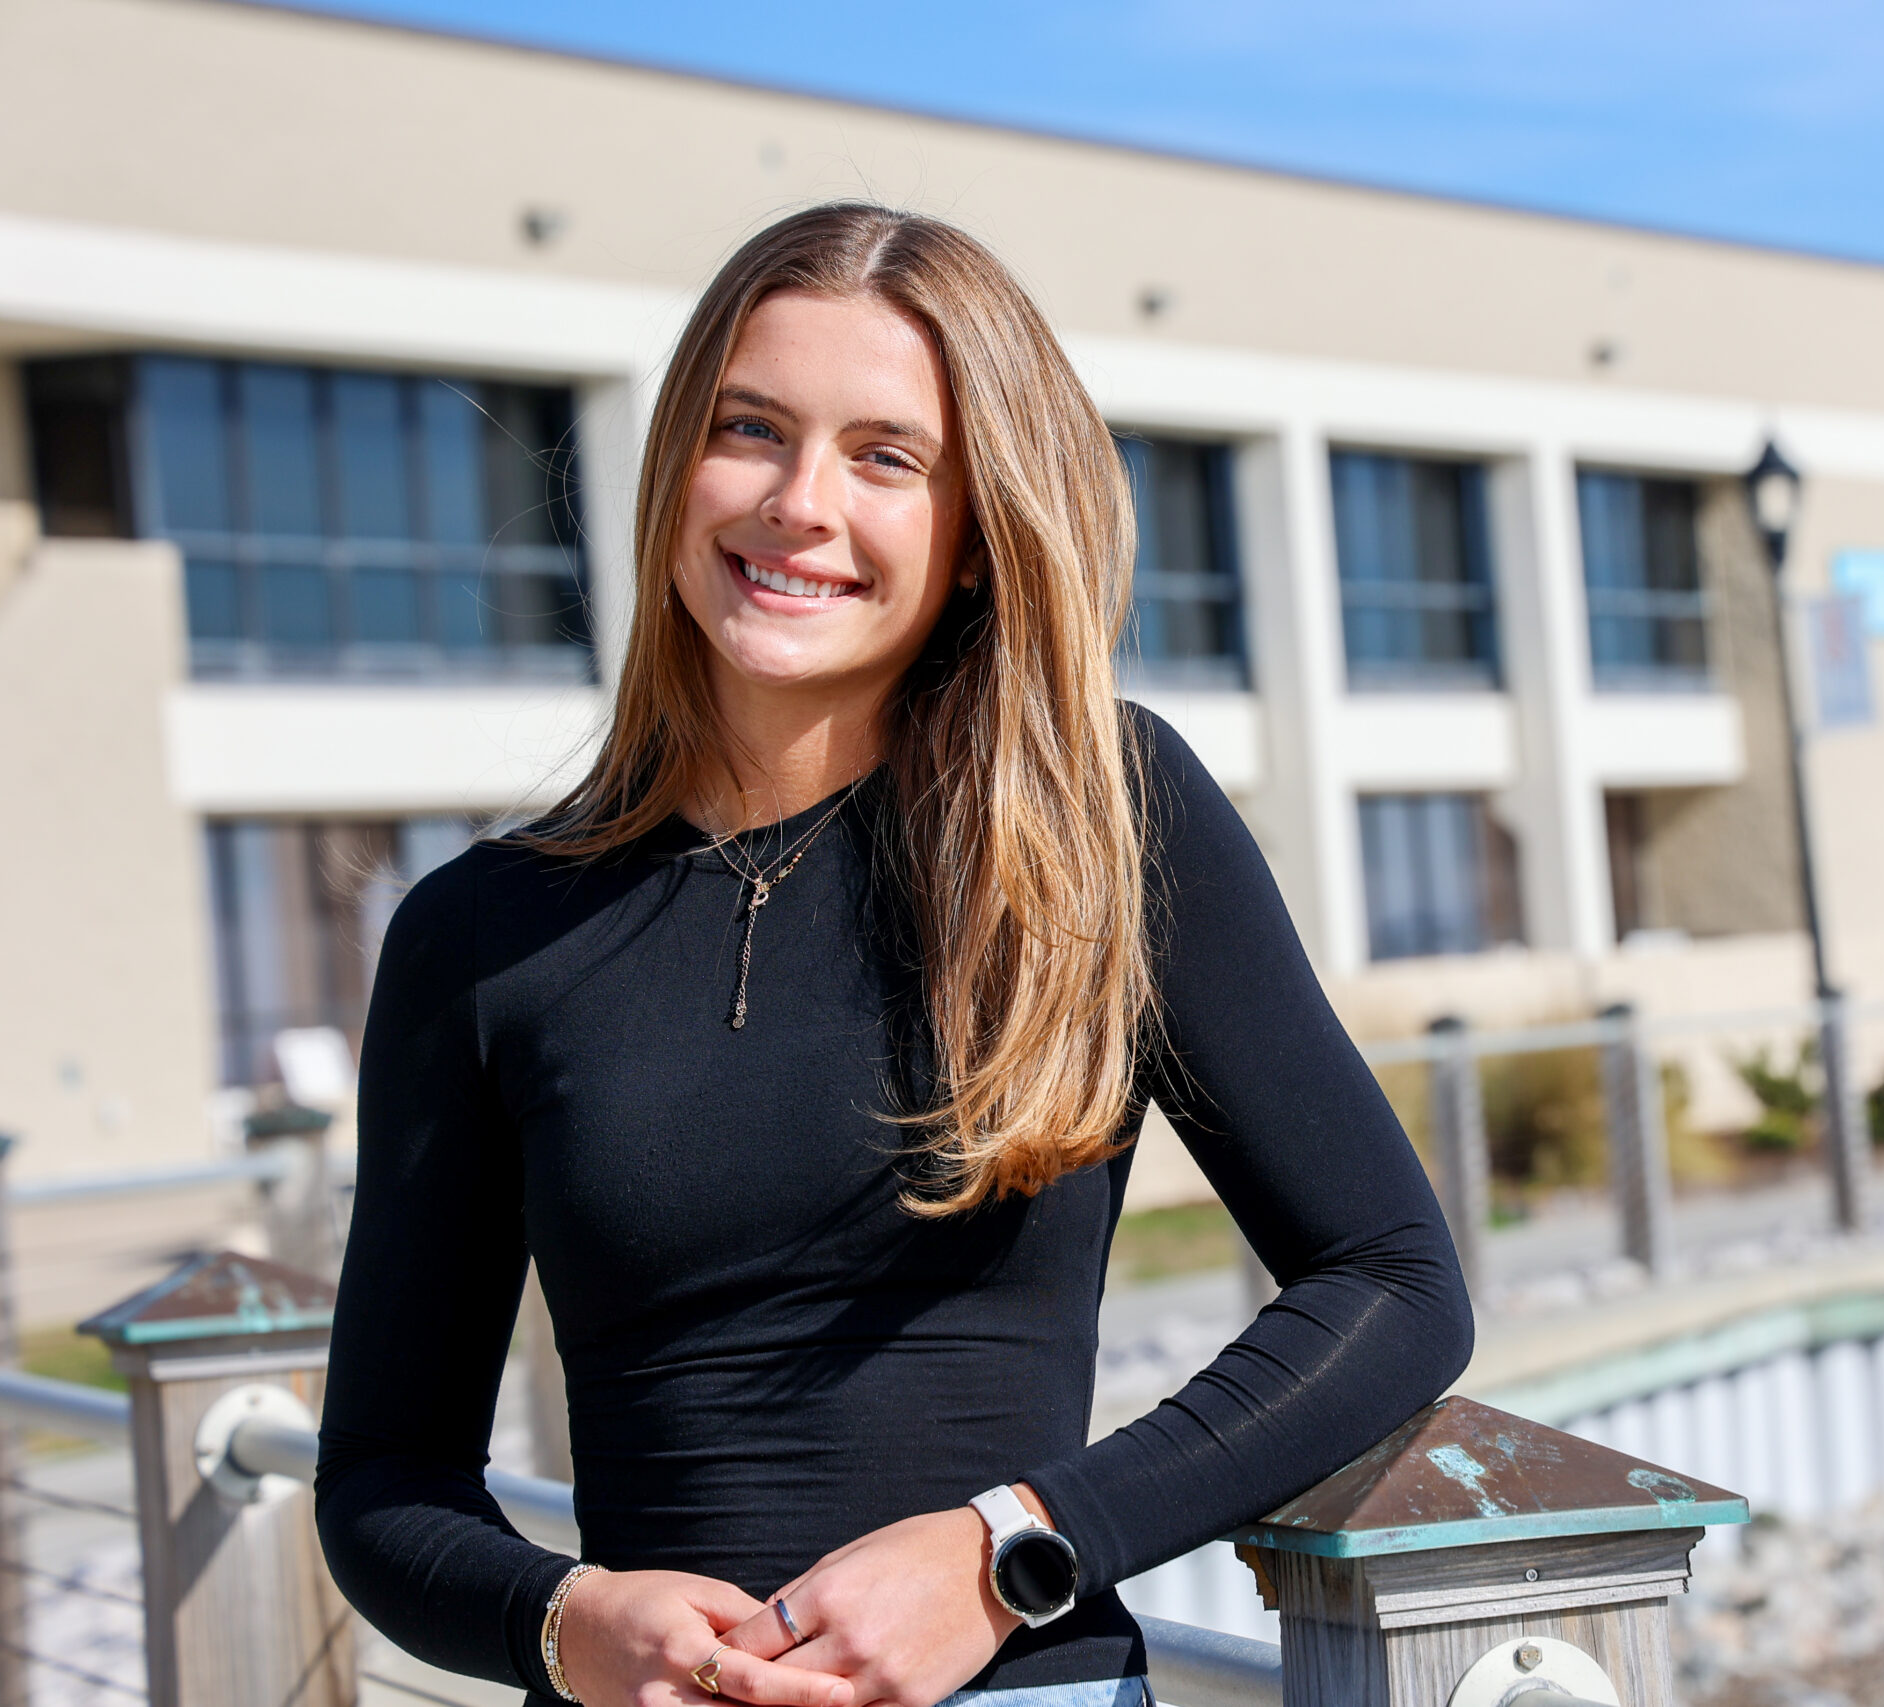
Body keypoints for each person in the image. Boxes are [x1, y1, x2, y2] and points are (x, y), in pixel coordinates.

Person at [312, 202, 1473, 1707]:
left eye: (886, 457)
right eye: (751, 429)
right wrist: (567, 1622)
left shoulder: (1097, 829)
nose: (800, 503)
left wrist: (1013, 1551)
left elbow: (1391, 1284)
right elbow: (385, 1481)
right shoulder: (476, 932)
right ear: (676, 468)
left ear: (978, 533)